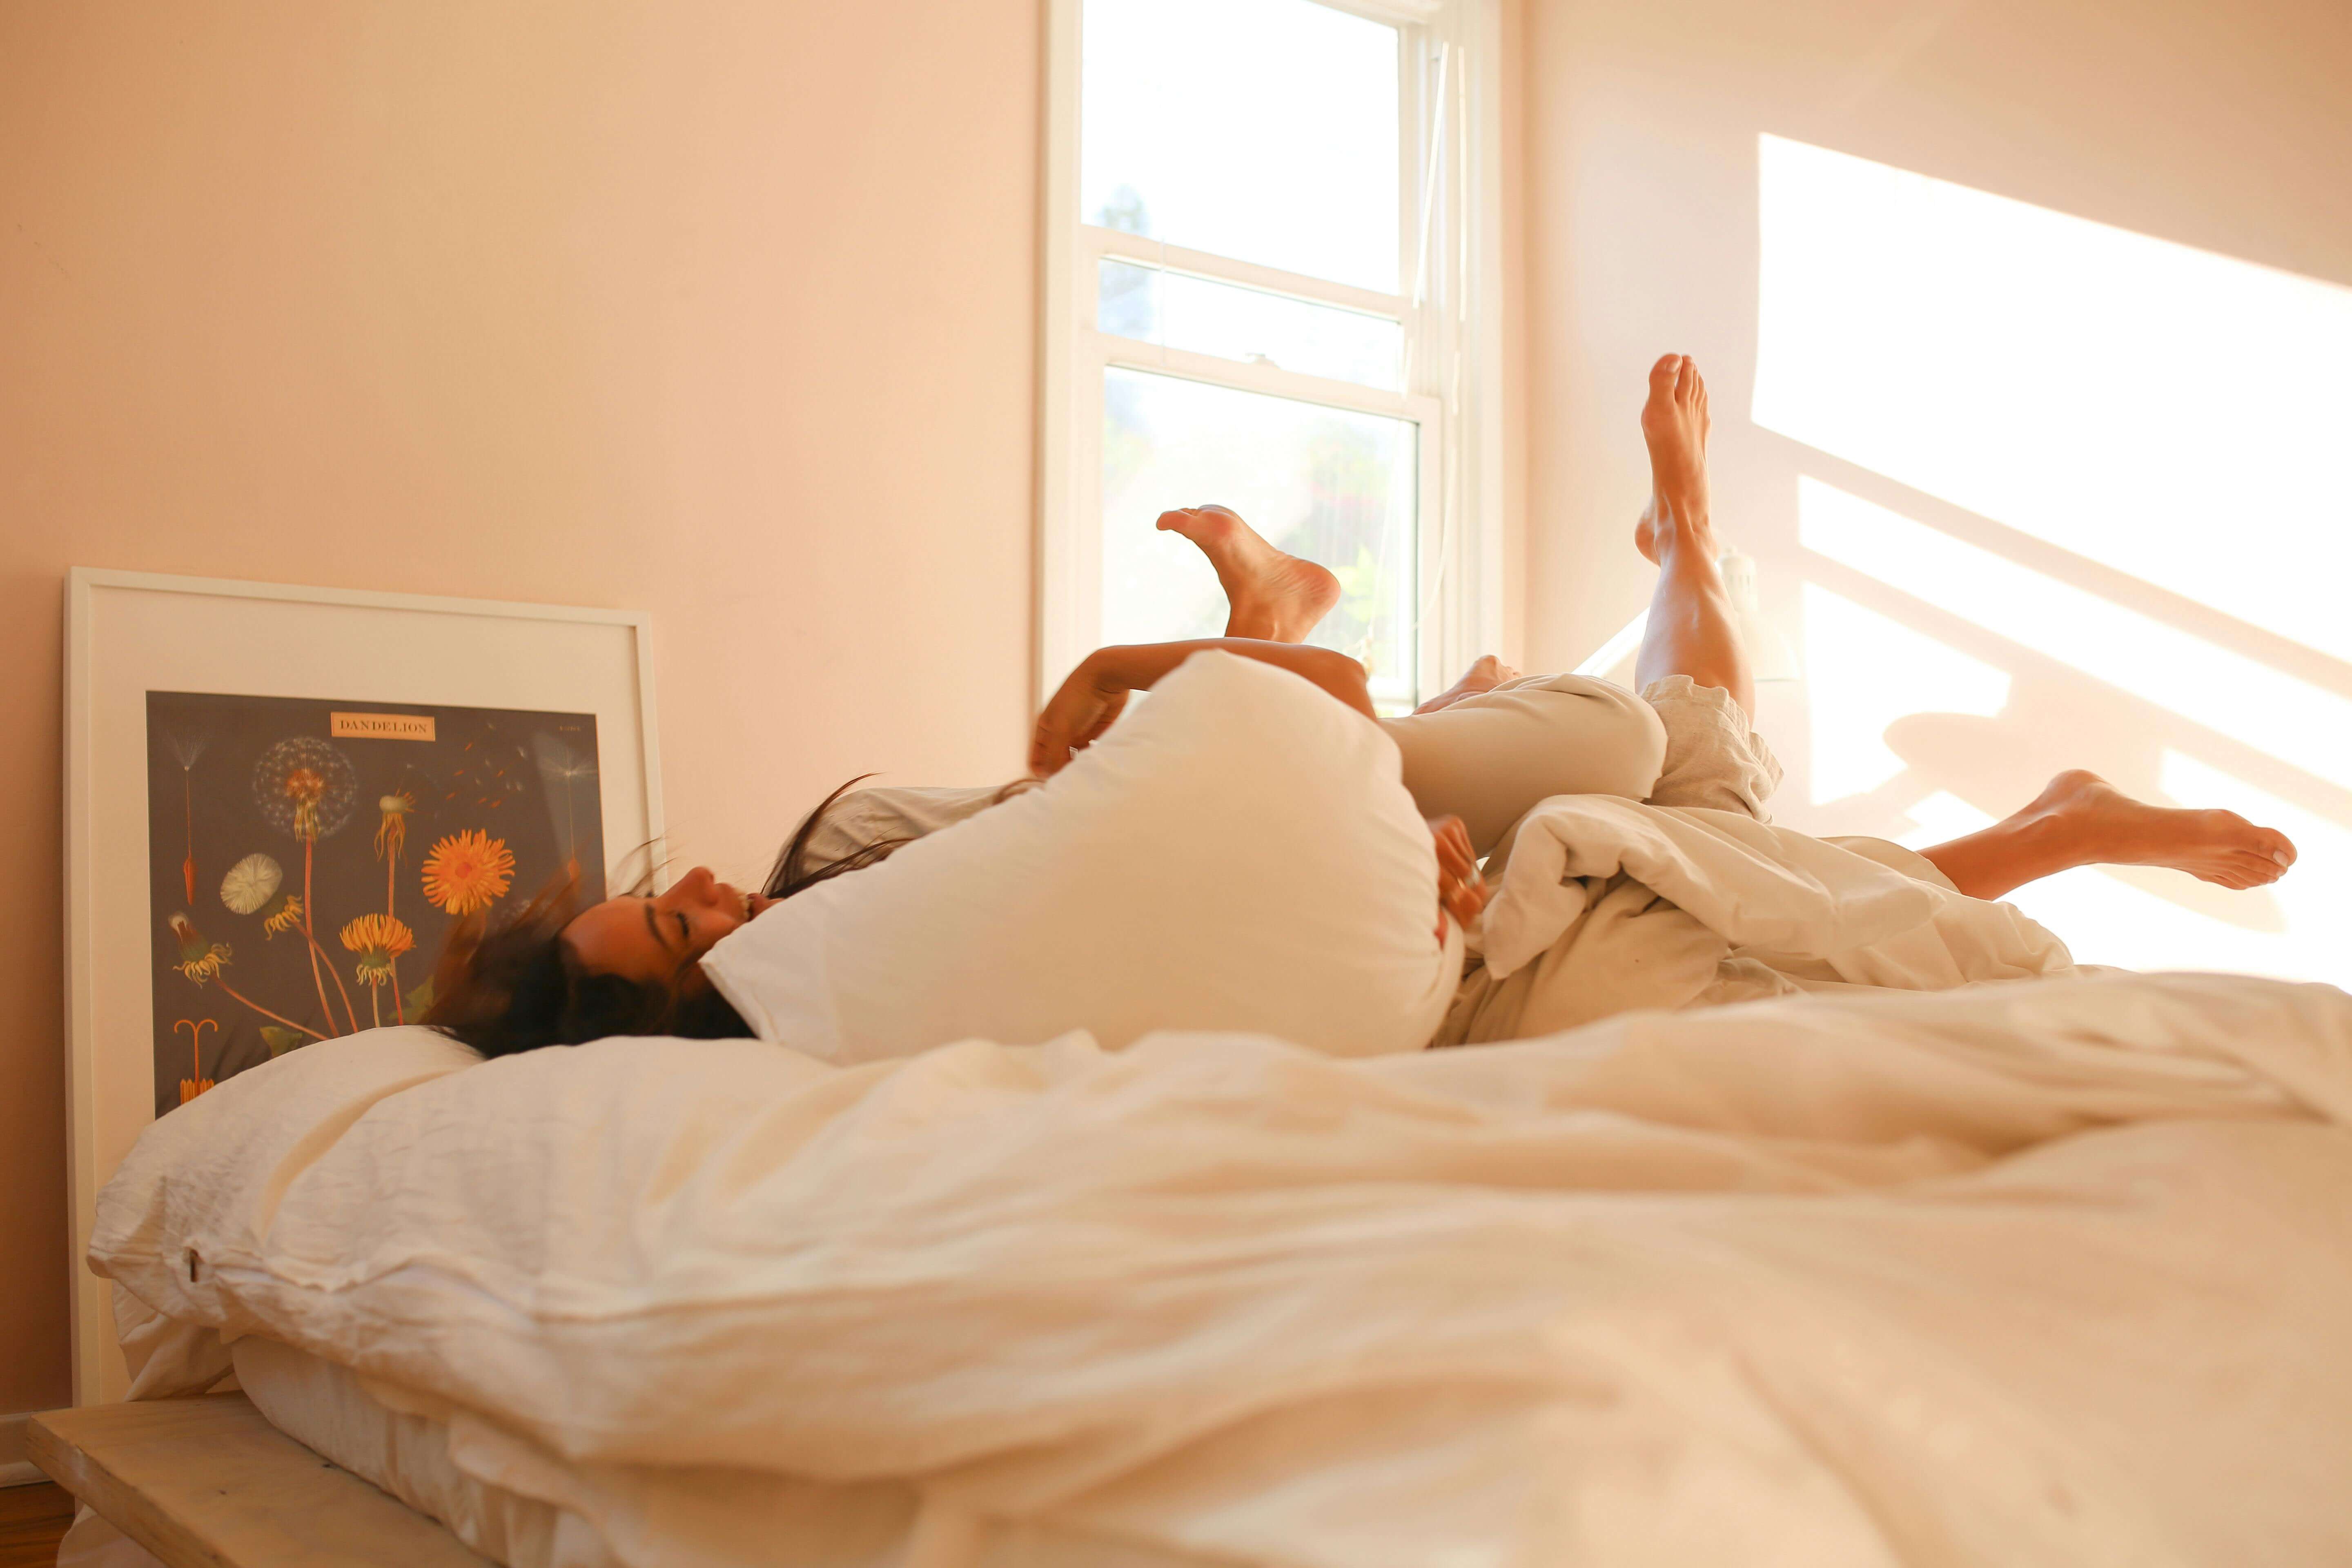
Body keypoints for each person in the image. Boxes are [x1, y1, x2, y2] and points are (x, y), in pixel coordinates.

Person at [428, 354, 2296, 1058]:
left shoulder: (855, 878)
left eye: (689, 891)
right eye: (687, 934)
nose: (723, 902)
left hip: (1329, 801)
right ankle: (1719, 585)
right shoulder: (850, 1007)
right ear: (671, 1014)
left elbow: (1091, 823)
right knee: (1699, 789)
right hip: (1381, 858)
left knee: (1669, 776)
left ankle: (1672, 562)